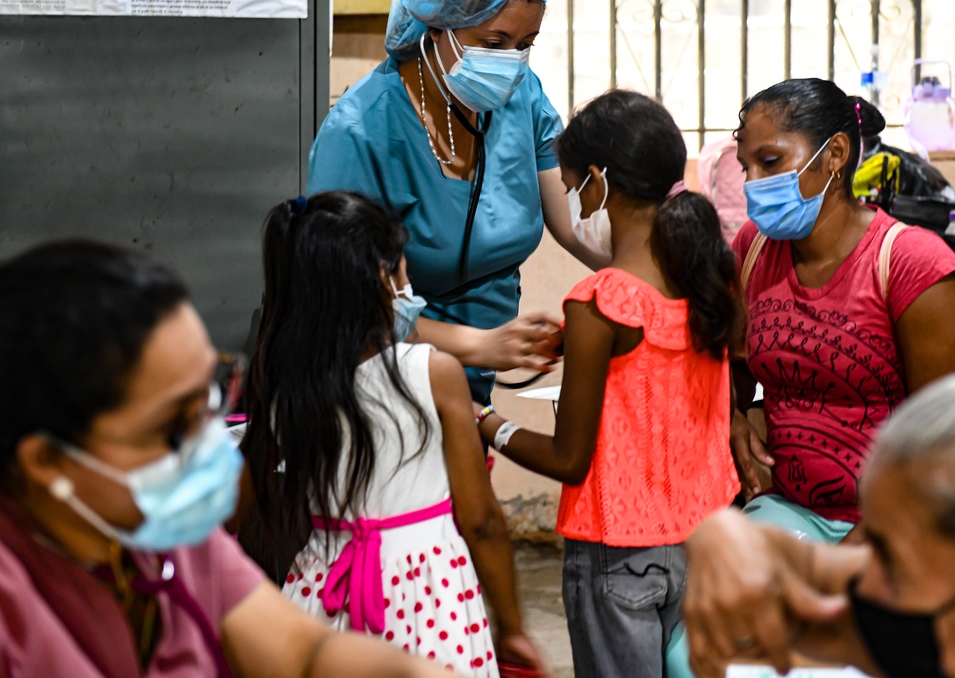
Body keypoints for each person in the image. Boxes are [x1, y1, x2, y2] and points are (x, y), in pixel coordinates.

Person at [0, 240, 452, 677]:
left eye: (211, 400)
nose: (209, 443)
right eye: (172, 428)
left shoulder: (167, 535)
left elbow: (300, 652)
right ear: (47, 462)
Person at [476, 90, 742, 678]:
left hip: (617, 556)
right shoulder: (708, 280)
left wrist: (488, 425)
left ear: (598, 182)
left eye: (571, 188)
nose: (572, 202)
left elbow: (570, 459)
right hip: (706, 544)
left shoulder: (600, 302)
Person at [240, 192, 546, 678]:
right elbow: (482, 519)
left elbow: (259, 516)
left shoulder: (281, 385)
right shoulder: (432, 372)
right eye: (404, 274)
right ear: (380, 282)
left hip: (319, 599)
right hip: (429, 601)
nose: (410, 289)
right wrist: (511, 628)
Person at [307, 0, 607, 406]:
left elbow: (575, 224)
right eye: (493, 41)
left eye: (525, 43)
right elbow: (349, 305)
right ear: (436, 25)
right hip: (376, 392)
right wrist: (481, 344)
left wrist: (650, 284)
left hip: (471, 389)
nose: (510, 62)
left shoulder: (520, 95)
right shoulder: (359, 133)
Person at [729, 78, 955, 537]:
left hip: (905, 522)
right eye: (745, 168)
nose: (753, 184)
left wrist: (848, 563)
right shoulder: (754, 249)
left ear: (836, 154)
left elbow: (950, 451)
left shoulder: (912, 268)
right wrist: (731, 415)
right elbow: (728, 362)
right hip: (790, 512)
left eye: (770, 162)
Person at [684, 367, 955, 678]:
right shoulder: (912, 598)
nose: (861, 575)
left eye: (890, 561)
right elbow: (806, 564)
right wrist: (720, 533)